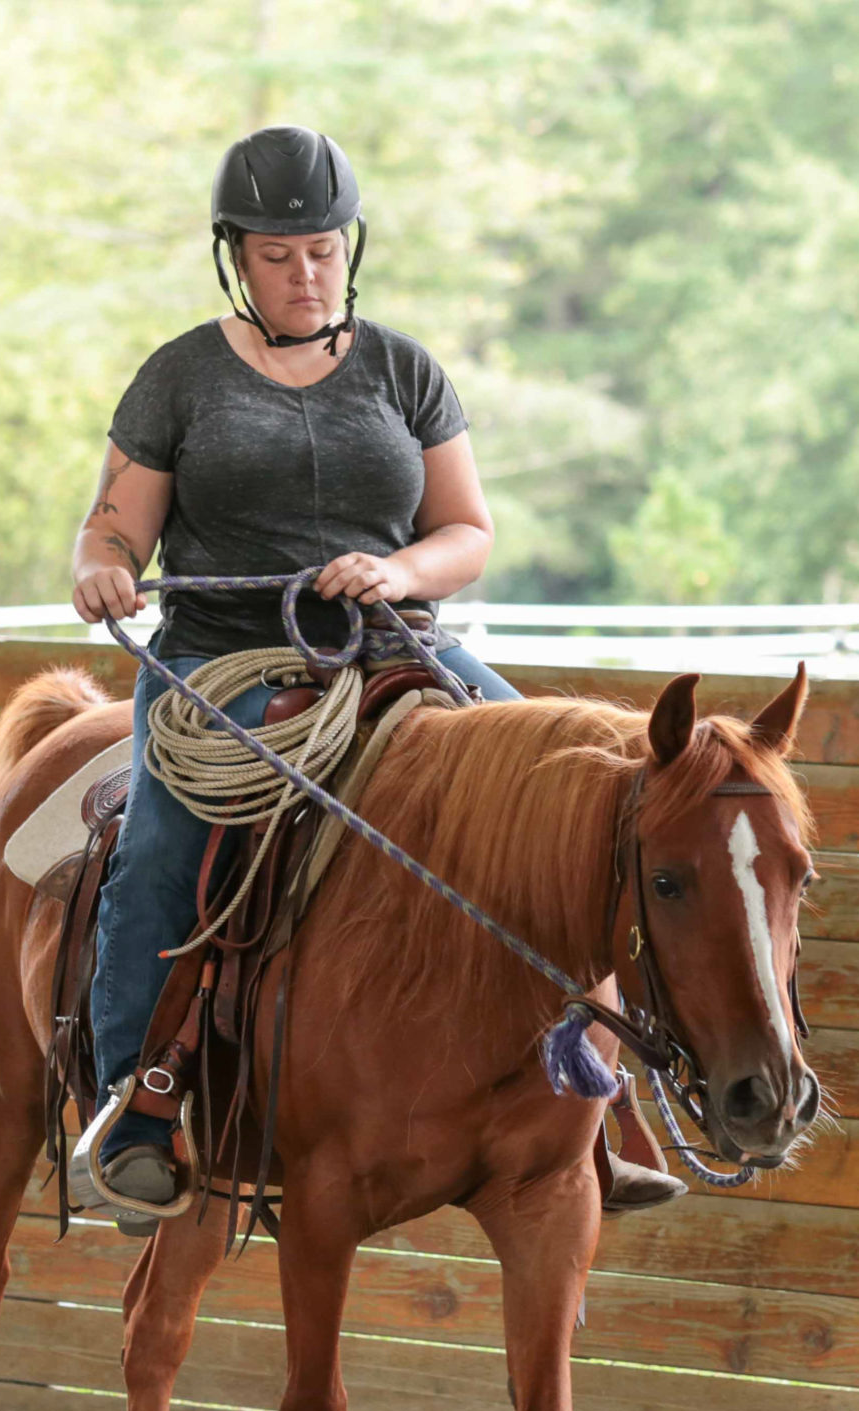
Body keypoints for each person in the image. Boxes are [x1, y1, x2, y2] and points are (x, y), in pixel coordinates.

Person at [65, 125, 684, 1222]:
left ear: (351, 248)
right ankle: (138, 1107)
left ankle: (602, 1099)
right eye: (276, 255)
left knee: (578, 801)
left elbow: (467, 531)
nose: (305, 274)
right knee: (160, 847)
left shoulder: (405, 370)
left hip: (396, 644)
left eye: (323, 251)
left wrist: (399, 571)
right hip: (224, 652)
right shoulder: (179, 377)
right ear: (234, 258)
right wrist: (103, 570)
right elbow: (114, 531)